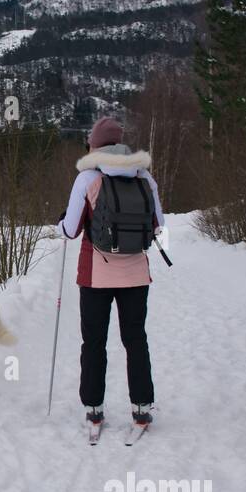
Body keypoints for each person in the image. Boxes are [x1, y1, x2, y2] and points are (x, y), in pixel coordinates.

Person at [57, 116, 165, 437]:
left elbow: (71, 230)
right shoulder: (144, 176)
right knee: (135, 340)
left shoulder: (87, 178)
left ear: (94, 144)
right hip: (136, 276)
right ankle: (142, 407)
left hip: (95, 277)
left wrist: (62, 221)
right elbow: (158, 224)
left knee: (94, 342)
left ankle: (93, 409)